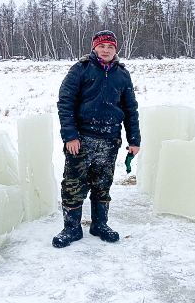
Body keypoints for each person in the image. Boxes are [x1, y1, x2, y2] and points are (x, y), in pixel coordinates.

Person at [53, 30, 141, 248]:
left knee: (103, 184)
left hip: (110, 139)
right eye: (102, 46)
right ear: (94, 48)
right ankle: (72, 228)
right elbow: (65, 104)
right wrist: (70, 136)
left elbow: (130, 109)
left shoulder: (122, 74)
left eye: (110, 47)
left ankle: (99, 224)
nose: (106, 50)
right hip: (81, 140)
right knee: (73, 184)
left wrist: (134, 139)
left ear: (115, 50)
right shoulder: (80, 70)